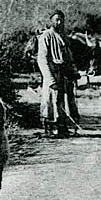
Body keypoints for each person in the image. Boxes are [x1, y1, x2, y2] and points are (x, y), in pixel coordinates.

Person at [36, 9, 79, 137]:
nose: (59, 22)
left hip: (64, 74)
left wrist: (74, 72)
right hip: (53, 73)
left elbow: (70, 58)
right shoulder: (46, 36)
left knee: (65, 101)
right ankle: (50, 129)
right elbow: (42, 59)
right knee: (51, 100)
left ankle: (63, 127)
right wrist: (50, 79)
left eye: (61, 20)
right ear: (51, 21)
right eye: (57, 20)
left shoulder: (64, 37)